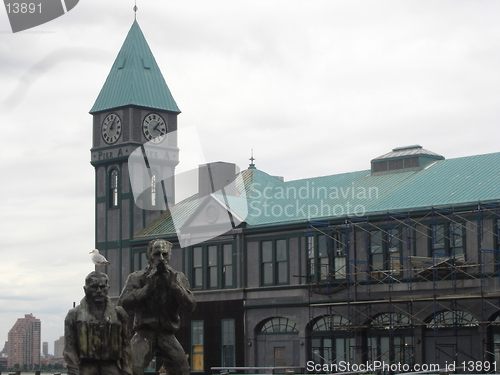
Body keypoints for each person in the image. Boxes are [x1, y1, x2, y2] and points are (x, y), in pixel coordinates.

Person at [118, 239, 196, 375]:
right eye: (157, 254)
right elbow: (123, 303)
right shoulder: (137, 277)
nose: (161, 258)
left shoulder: (178, 277)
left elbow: (190, 306)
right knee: (132, 367)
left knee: (182, 369)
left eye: (164, 254)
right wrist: (147, 288)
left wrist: (175, 287)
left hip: (167, 334)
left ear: (169, 256)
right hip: (144, 333)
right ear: (149, 256)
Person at [64, 271, 132, 375]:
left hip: (111, 365)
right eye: (94, 287)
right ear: (85, 289)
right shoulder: (74, 314)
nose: (99, 291)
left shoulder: (119, 314)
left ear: (107, 289)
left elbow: (126, 344)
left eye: (102, 287)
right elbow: (70, 348)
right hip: (86, 366)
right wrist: (74, 372)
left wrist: (127, 370)